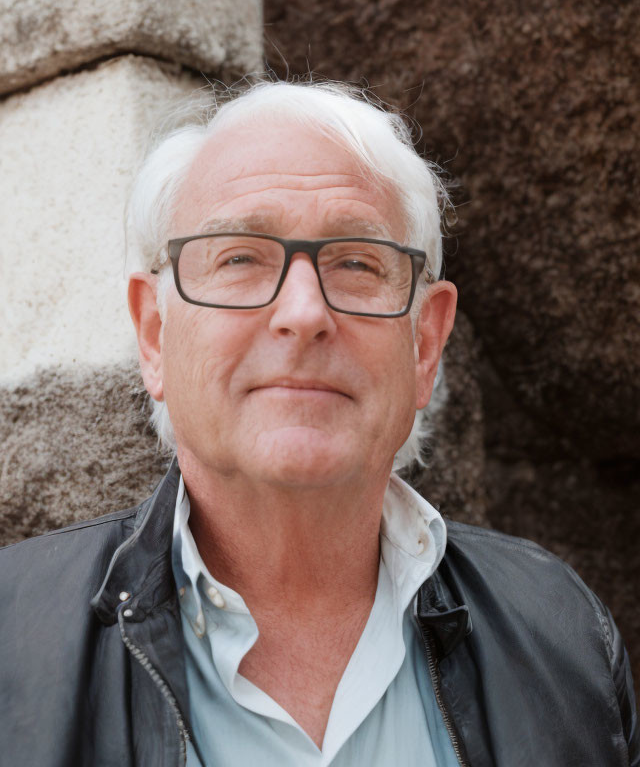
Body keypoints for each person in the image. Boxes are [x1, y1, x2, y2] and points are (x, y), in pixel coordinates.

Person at [0, 80, 637, 767]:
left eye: (357, 263)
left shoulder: (566, 638)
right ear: (154, 336)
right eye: (240, 257)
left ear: (425, 344)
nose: (304, 314)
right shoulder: (12, 639)